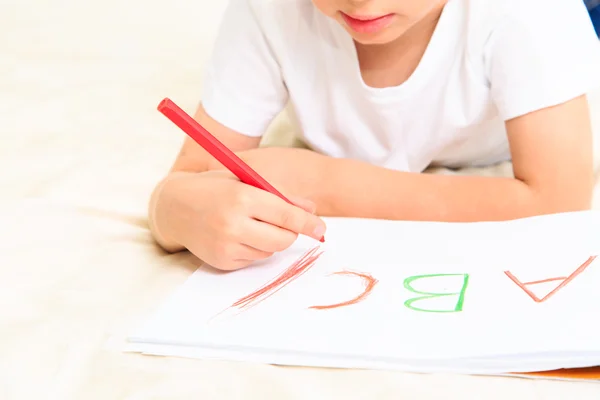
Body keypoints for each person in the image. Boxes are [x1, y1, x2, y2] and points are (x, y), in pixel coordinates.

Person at [148, 0, 600, 271]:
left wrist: (324, 185)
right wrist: (172, 211)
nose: (362, 2)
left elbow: (559, 199)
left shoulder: (529, 11)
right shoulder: (270, 10)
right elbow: (192, 179)